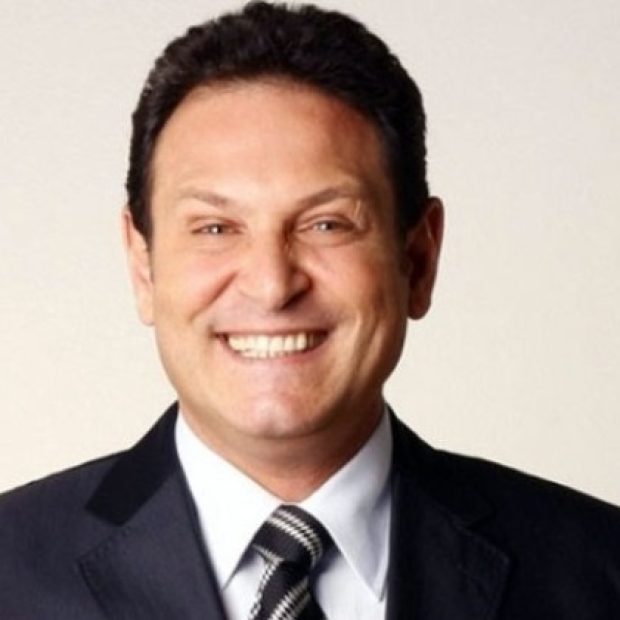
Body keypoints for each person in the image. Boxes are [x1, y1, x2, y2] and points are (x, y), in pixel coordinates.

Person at [0, 2, 618, 618]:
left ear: (419, 257)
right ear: (143, 264)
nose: (272, 285)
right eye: (215, 228)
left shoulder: (598, 570)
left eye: (327, 224)